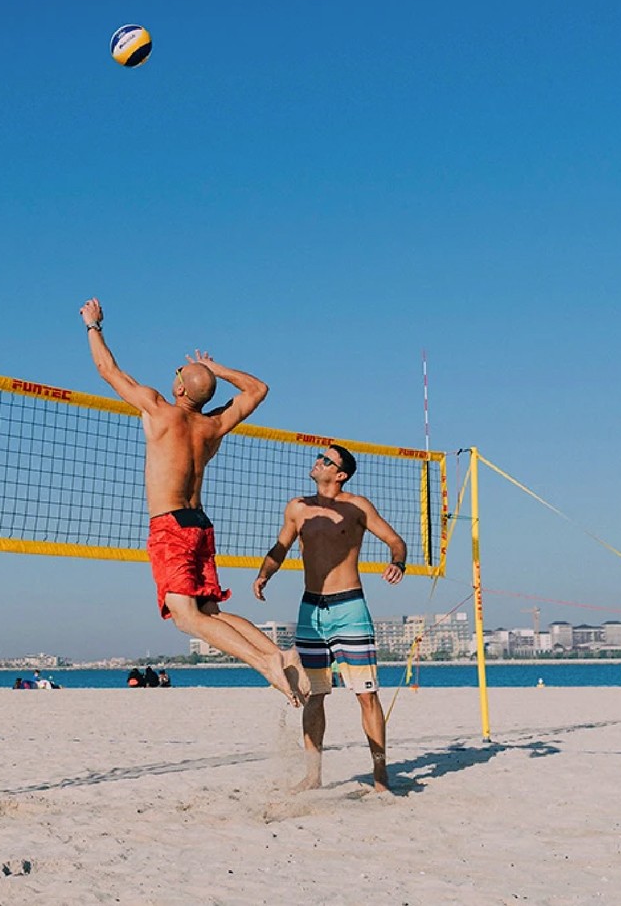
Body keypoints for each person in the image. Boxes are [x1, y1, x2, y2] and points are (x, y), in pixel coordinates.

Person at [80, 298, 308, 705]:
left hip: (171, 525)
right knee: (210, 611)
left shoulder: (159, 409)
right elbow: (258, 389)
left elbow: (107, 370)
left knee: (187, 618)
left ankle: (265, 664)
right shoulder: (213, 425)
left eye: (178, 373)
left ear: (180, 387)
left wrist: (93, 326)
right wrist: (217, 370)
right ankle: (280, 654)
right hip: (200, 524)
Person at [254, 443, 409, 792]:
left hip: (350, 607)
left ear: (340, 474)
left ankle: (381, 777)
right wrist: (265, 574)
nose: (318, 461)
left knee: (366, 694)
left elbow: (396, 541)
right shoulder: (297, 508)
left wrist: (398, 561)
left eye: (326, 459)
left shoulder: (356, 506)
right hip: (311, 609)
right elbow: (280, 548)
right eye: (319, 457)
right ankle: (313, 776)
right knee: (314, 695)